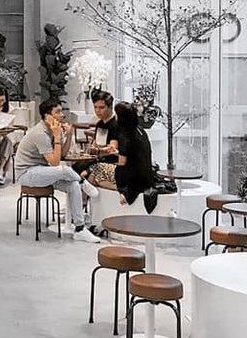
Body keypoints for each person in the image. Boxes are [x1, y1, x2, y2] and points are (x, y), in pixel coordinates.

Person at [14, 99, 100, 243]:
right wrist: (57, 136)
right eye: (57, 112)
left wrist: (69, 134)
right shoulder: (39, 133)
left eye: (61, 111)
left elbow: (62, 155)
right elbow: (55, 163)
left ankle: (79, 228)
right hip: (27, 173)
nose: (62, 115)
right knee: (64, 170)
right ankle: (83, 182)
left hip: (43, 171)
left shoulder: (54, 130)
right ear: (48, 116)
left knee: (72, 186)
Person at [114, 101, 157, 206]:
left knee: (94, 169)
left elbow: (122, 161)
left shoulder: (125, 134)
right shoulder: (140, 130)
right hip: (146, 176)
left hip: (132, 179)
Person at [85, 89, 119, 188]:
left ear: (110, 107)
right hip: (99, 160)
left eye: (101, 107)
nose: (97, 111)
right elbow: (94, 144)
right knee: (76, 169)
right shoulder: (100, 124)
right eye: (95, 107)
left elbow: (112, 148)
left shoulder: (115, 124)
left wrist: (98, 150)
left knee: (86, 175)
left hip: (112, 163)